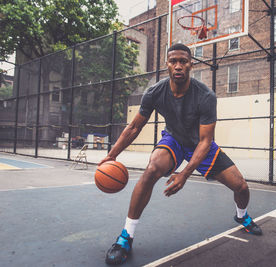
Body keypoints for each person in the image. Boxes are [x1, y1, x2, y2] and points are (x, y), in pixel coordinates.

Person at [99, 43, 262, 265]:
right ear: (167, 64)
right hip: (174, 139)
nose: (178, 66)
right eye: (173, 61)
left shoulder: (205, 96)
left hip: (200, 145)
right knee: (151, 170)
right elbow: (134, 127)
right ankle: (125, 237)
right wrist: (112, 155)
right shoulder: (155, 92)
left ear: (190, 65)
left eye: (183, 61)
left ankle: (241, 216)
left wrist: (184, 174)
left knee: (241, 186)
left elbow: (206, 141)